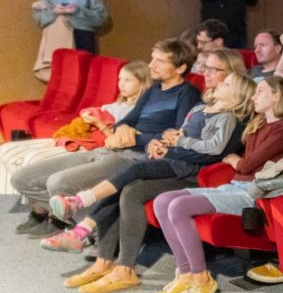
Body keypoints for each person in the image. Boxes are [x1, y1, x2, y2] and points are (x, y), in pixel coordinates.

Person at [128, 77, 283, 293]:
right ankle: (185, 274)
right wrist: (236, 162)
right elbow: (243, 166)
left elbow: (245, 165)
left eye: (260, 91)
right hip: (234, 186)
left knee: (178, 207)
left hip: (255, 194)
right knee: (162, 201)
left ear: (276, 96)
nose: (253, 96)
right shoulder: (258, 125)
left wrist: (236, 161)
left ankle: (202, 280)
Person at [50, 73, 256, 268]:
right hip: (173, 157)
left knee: (134, 172)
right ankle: (82, 233)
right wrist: (163, 142)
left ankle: (80, 203)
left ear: (238, 96)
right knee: (125, 182)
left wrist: (173, 147)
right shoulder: (200, 108)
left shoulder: (228, 118)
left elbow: (211, 150)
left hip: (186, 167)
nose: (219, 83)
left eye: (227, 84)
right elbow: (181, 133)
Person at [12, 39, 201, 239]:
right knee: (22, 178)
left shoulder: (188, 93)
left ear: (180, 68)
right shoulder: (153, 90)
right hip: (110, 149)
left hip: (135, 157)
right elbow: (126, 121)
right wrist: (124, 127)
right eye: (152, 59)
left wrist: (136, 139)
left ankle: (92, 234)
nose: (151, 65)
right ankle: (83, 224)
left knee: (57, 183)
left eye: (160, 61)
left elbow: (178, 136)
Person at [3, 60, 148, 200]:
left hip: (118, 155)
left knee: (56, 182)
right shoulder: (114, 106)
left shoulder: (145, 110)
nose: (121, 84)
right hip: (96, 148)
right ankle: (65, 208)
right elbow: (94, 116)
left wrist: (100, 124)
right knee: (19, 177)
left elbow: (120, 143)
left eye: (128, 80)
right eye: (120, 79)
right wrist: (88, 116)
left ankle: (72, 209)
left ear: (142, 83)